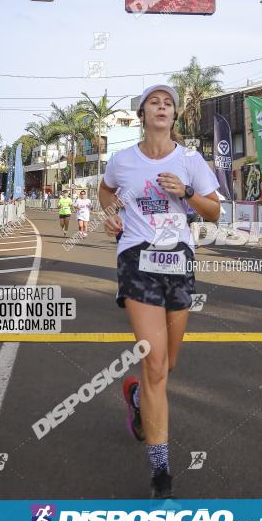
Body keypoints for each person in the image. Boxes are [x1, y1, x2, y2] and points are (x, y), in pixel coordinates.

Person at [98, 84, 221, 499]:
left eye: (168, 103)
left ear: (174, 116)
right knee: (154, 365)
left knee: (168, 365)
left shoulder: (189, 160)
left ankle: (136, 402)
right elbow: (105, 189)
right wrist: (111, 215)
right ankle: (161, 472)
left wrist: (185, 193)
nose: (162, 107)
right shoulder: (123, 160)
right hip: (136, 258)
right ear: (143, 114)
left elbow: (215, 211)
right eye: (155, 102)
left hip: (178, 260)